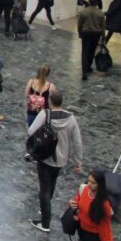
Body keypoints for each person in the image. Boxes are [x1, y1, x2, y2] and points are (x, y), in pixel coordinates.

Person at [29, 90, 83, 233]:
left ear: (50, 102)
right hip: (61, 159)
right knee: (52, 183)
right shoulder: (71, 118)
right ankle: (44, 209)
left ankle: (45, 222)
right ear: (62, 102)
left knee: (44, 188)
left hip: (46, 158)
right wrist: (78, 161)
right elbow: (77, 142)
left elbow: (30, 131)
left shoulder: (45, 115)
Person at [76, 0, 105, 81]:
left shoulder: (83, 12)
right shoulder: (100, 14)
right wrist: (103, 37)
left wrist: (79, 33)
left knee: (85, 52)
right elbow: (103, 27)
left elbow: (79, 24)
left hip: (86, 33)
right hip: (96, 34)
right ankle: (89, 67)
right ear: (97, 3)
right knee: (92, 51)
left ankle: (84, 72)